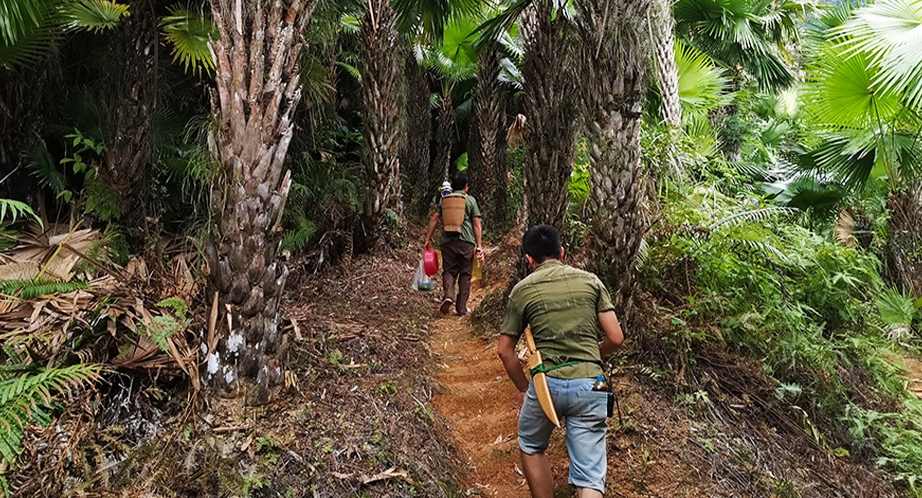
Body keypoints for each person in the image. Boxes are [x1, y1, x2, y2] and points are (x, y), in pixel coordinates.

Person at [498, 224, 624, 498]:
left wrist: (523, 388)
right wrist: (592, 356)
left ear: (529, 259)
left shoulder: (523, 289)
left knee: (531, 442)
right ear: (562, 253)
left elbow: (505, 350)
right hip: (594, 384)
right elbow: (615, 337)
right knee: (590, 472)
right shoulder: (591, 281)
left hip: (547, 383)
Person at [423, 171, 484, 316]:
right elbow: (476, 223)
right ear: (466, 187)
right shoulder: (470, 201)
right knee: (465, 274)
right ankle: (461, 308)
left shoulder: (444, 200)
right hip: (466, 242)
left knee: (449, 271)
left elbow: (434, 218)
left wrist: (427, 239)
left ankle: (448, 295)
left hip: (447, 242)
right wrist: (479, 245)